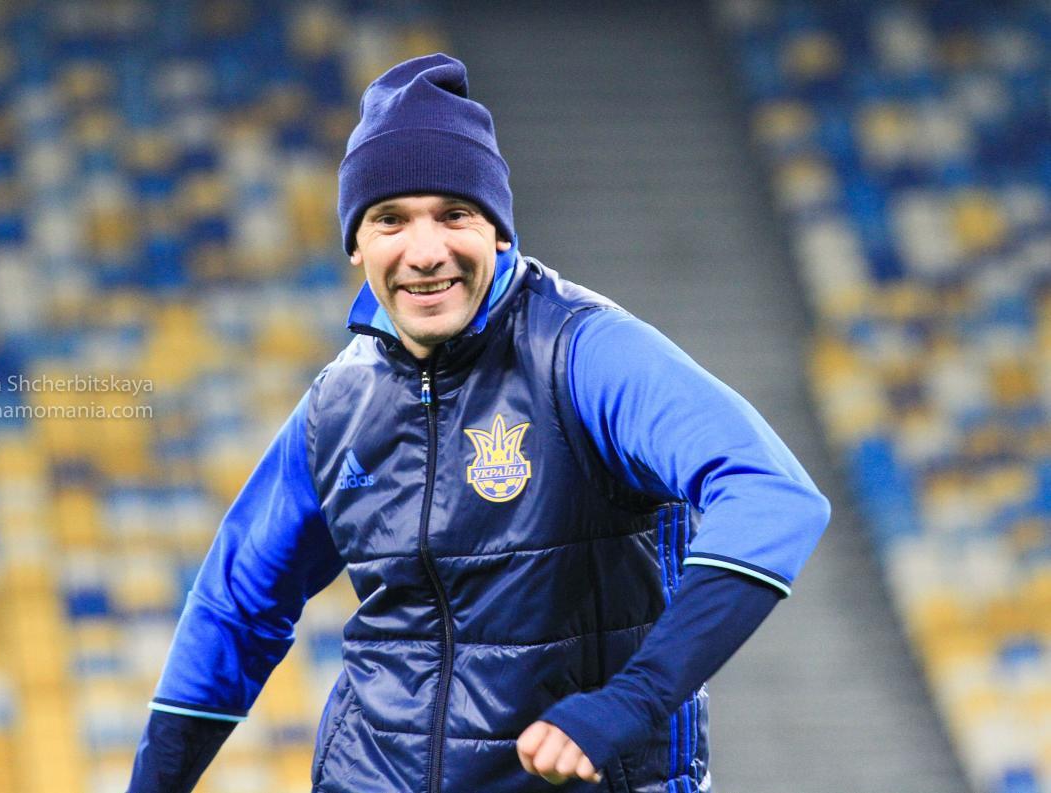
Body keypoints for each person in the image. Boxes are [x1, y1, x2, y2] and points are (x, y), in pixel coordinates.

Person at [126, 53, 830, 793]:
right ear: (356, 244)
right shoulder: (337, 405)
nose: (426, 252)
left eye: (454, 214)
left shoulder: (584, 354)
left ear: (496, 228)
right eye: (390, 219)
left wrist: (633, 699)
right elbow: (235, 606)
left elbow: (773, 495)